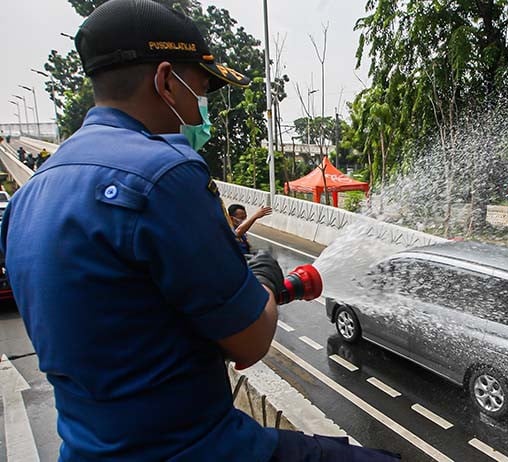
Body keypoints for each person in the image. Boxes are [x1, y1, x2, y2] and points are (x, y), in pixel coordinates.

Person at [0, 2, 399, 461]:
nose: (200, 110)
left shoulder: (29, 195)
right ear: (166, 81)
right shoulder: (165, 174)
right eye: (203, 90)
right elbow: (249, 342)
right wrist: (264, 280)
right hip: (194, 448)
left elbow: (128, 316)